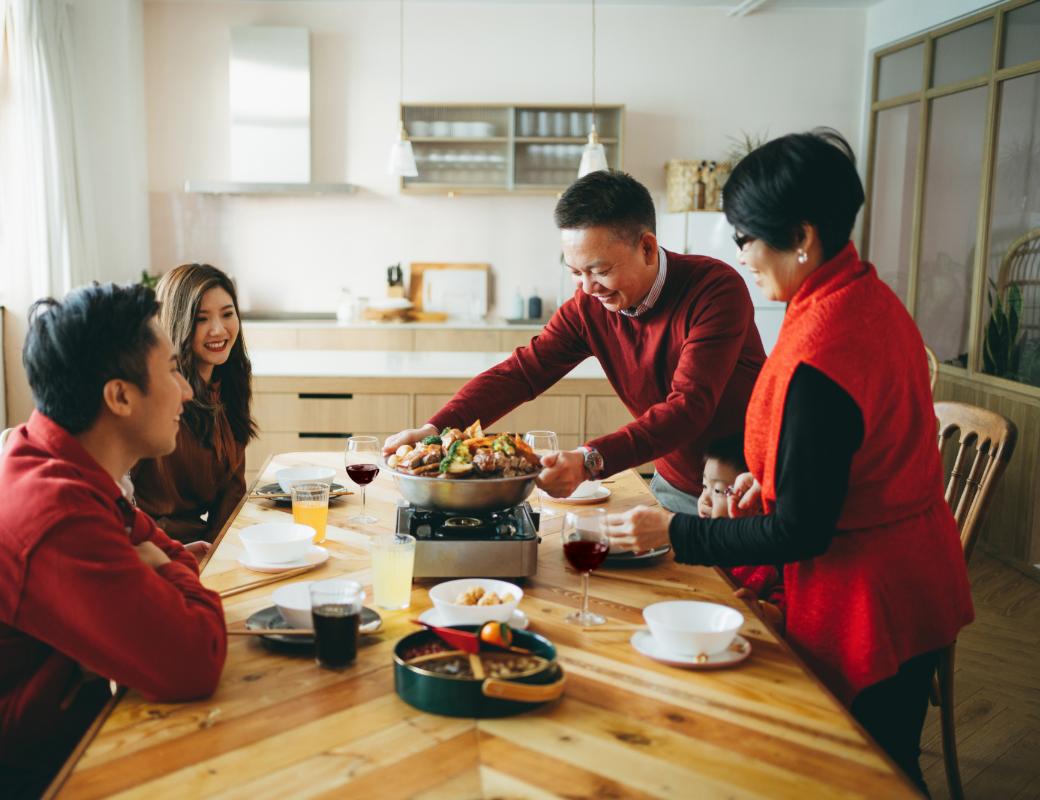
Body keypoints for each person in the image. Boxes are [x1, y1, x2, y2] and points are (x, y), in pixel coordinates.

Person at [605, 129, 973, 790]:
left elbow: (804, 529)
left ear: (802, 236)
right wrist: (769, 476)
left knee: (870, 772)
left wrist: (678, 530)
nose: (739, 253)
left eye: (746, 236)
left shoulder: (824, 351)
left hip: (869, 598)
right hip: (912, 573)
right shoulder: (861, 296)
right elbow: (842, 454)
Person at [0, 283, 228, 798]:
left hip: (34, 749)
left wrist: (161, 565)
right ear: (120, 396)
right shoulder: (53, 513)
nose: (187, 389)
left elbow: (156, 545)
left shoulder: (54, 457)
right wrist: (167, 572)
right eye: (172, 369)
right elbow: (198, 658)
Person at [384, 171, 766, 513]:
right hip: (670, 482)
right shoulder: (589, 306)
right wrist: (436, 429)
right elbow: (521, 373)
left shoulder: (715, 290)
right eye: (575, 272)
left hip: (742, 487)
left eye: (600, 271)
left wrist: (589, 460)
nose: (587, 288)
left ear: (647, 248)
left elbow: (688, 406)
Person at [132, 264, 256, 545]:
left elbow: (232, 493)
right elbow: (122, 498)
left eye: (227, 314)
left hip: (202, 547)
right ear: (177, 323)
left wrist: (217, 554)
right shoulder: (151, 393)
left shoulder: (232, 379)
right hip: (151, 549)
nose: (218, 329)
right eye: (201, 319)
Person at [698, 434, 784, 629]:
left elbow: (782, 611)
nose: (705, 498)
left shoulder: (769, 561)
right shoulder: (704, 538)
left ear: (755, 501)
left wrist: (761, 609)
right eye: (704, 486)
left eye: (718, 491)